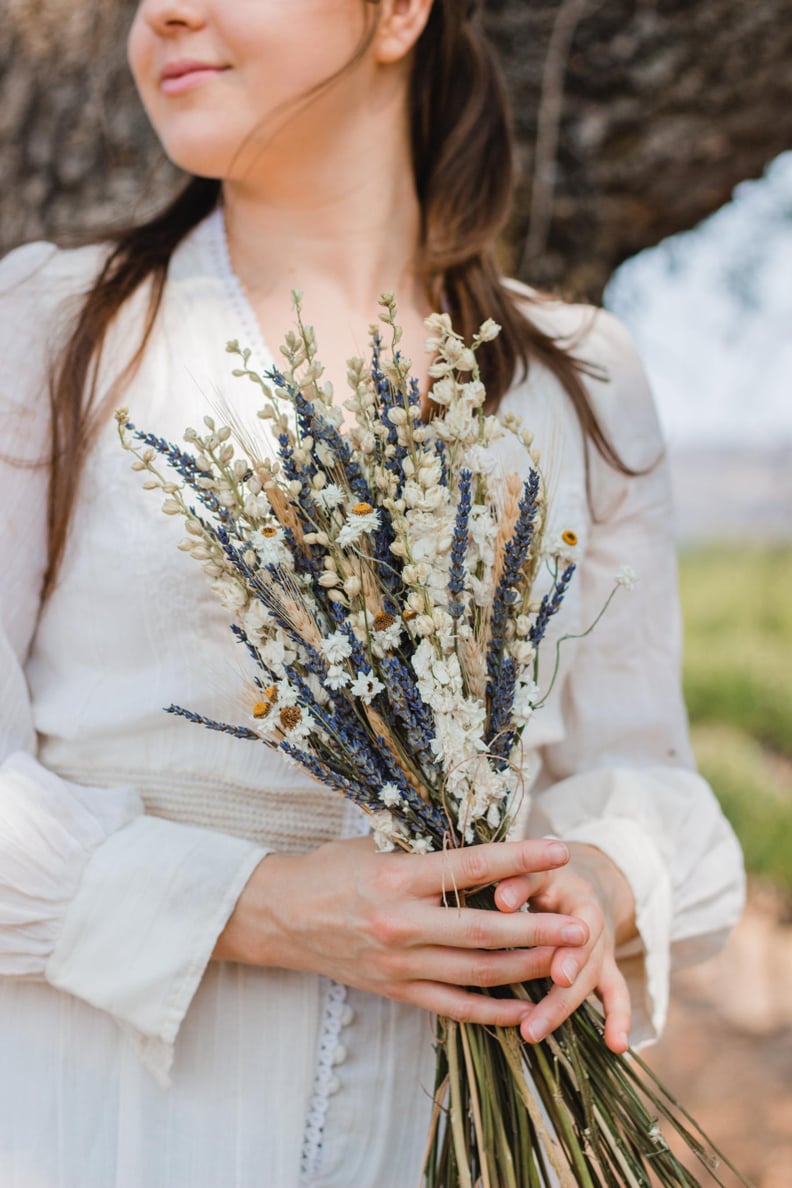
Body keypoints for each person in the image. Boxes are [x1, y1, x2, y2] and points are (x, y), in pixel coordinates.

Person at [0, 1, 745, 1185]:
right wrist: (258, 906)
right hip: (95, 1133)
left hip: (424, 1145)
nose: (163, 16)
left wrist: (597, 883)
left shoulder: (585, 385)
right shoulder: (52, 328)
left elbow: (651, 781)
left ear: (399, 11)